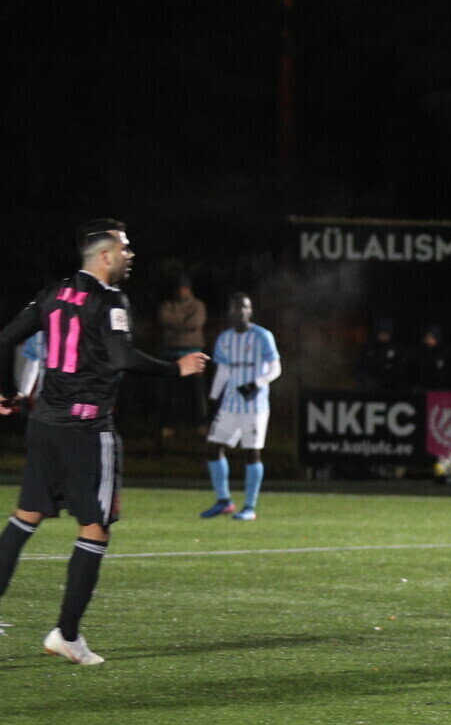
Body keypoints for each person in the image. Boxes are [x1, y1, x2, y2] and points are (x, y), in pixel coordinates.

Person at [0, 221, 209, 665]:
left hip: (46, 424)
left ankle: (64, 632)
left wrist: (6, 393)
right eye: (125, 247)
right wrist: (177, 369)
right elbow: (121, 357)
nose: (130, 255)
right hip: (87, 429)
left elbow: (4, 339)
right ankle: (67, 634)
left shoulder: (53, 292)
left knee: (25, 518)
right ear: (105, 255)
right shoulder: (110, 299)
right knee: (95, 529)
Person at [200, 294, 281, 520]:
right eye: (236, 308)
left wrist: (256, 384)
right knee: (213, 447)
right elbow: (223, 372)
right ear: (230, 311)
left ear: (250, 311)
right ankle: (224, 501)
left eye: (244, 307)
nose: (240, 312)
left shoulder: (262, 336)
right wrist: (213, 399)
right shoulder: (225, 338)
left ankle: (249, 507)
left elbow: (275, 368)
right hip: (230, 404)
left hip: (255, 406)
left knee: (251, 452)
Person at [157, 278, 207, 435]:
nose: (181, 291)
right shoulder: (167, 305)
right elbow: (163, 319)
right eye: (179, 288)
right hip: (171, 354)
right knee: (169, 393)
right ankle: (168, 425)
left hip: (194, 353)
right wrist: (184, 322)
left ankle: (201, 424)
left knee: (197, 393)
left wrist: (174, 325)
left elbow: (196, 323)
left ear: (189, 289)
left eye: (184, 288)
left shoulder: (198, 305)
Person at [356, 318, 409, 392]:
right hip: (370, 386)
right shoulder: (369, 349)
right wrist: (367, 381)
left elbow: (402, 370)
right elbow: (359, 368)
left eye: (386, 333)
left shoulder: (398, 349)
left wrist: (390, 382)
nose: (384, 336)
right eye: (381, 333)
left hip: (391, 388)